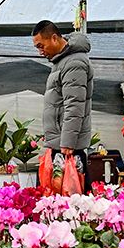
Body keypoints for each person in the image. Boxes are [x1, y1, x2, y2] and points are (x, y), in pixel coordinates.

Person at [31, 20, 94, 179]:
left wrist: (68, 142)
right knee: (56, 198)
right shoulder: (61, 62)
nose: (40, 52)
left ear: (53, 38)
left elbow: (74, 105)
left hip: (67, 148)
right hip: (60, 143)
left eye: (40, 46)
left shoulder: (74, 62)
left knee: (69, 197)